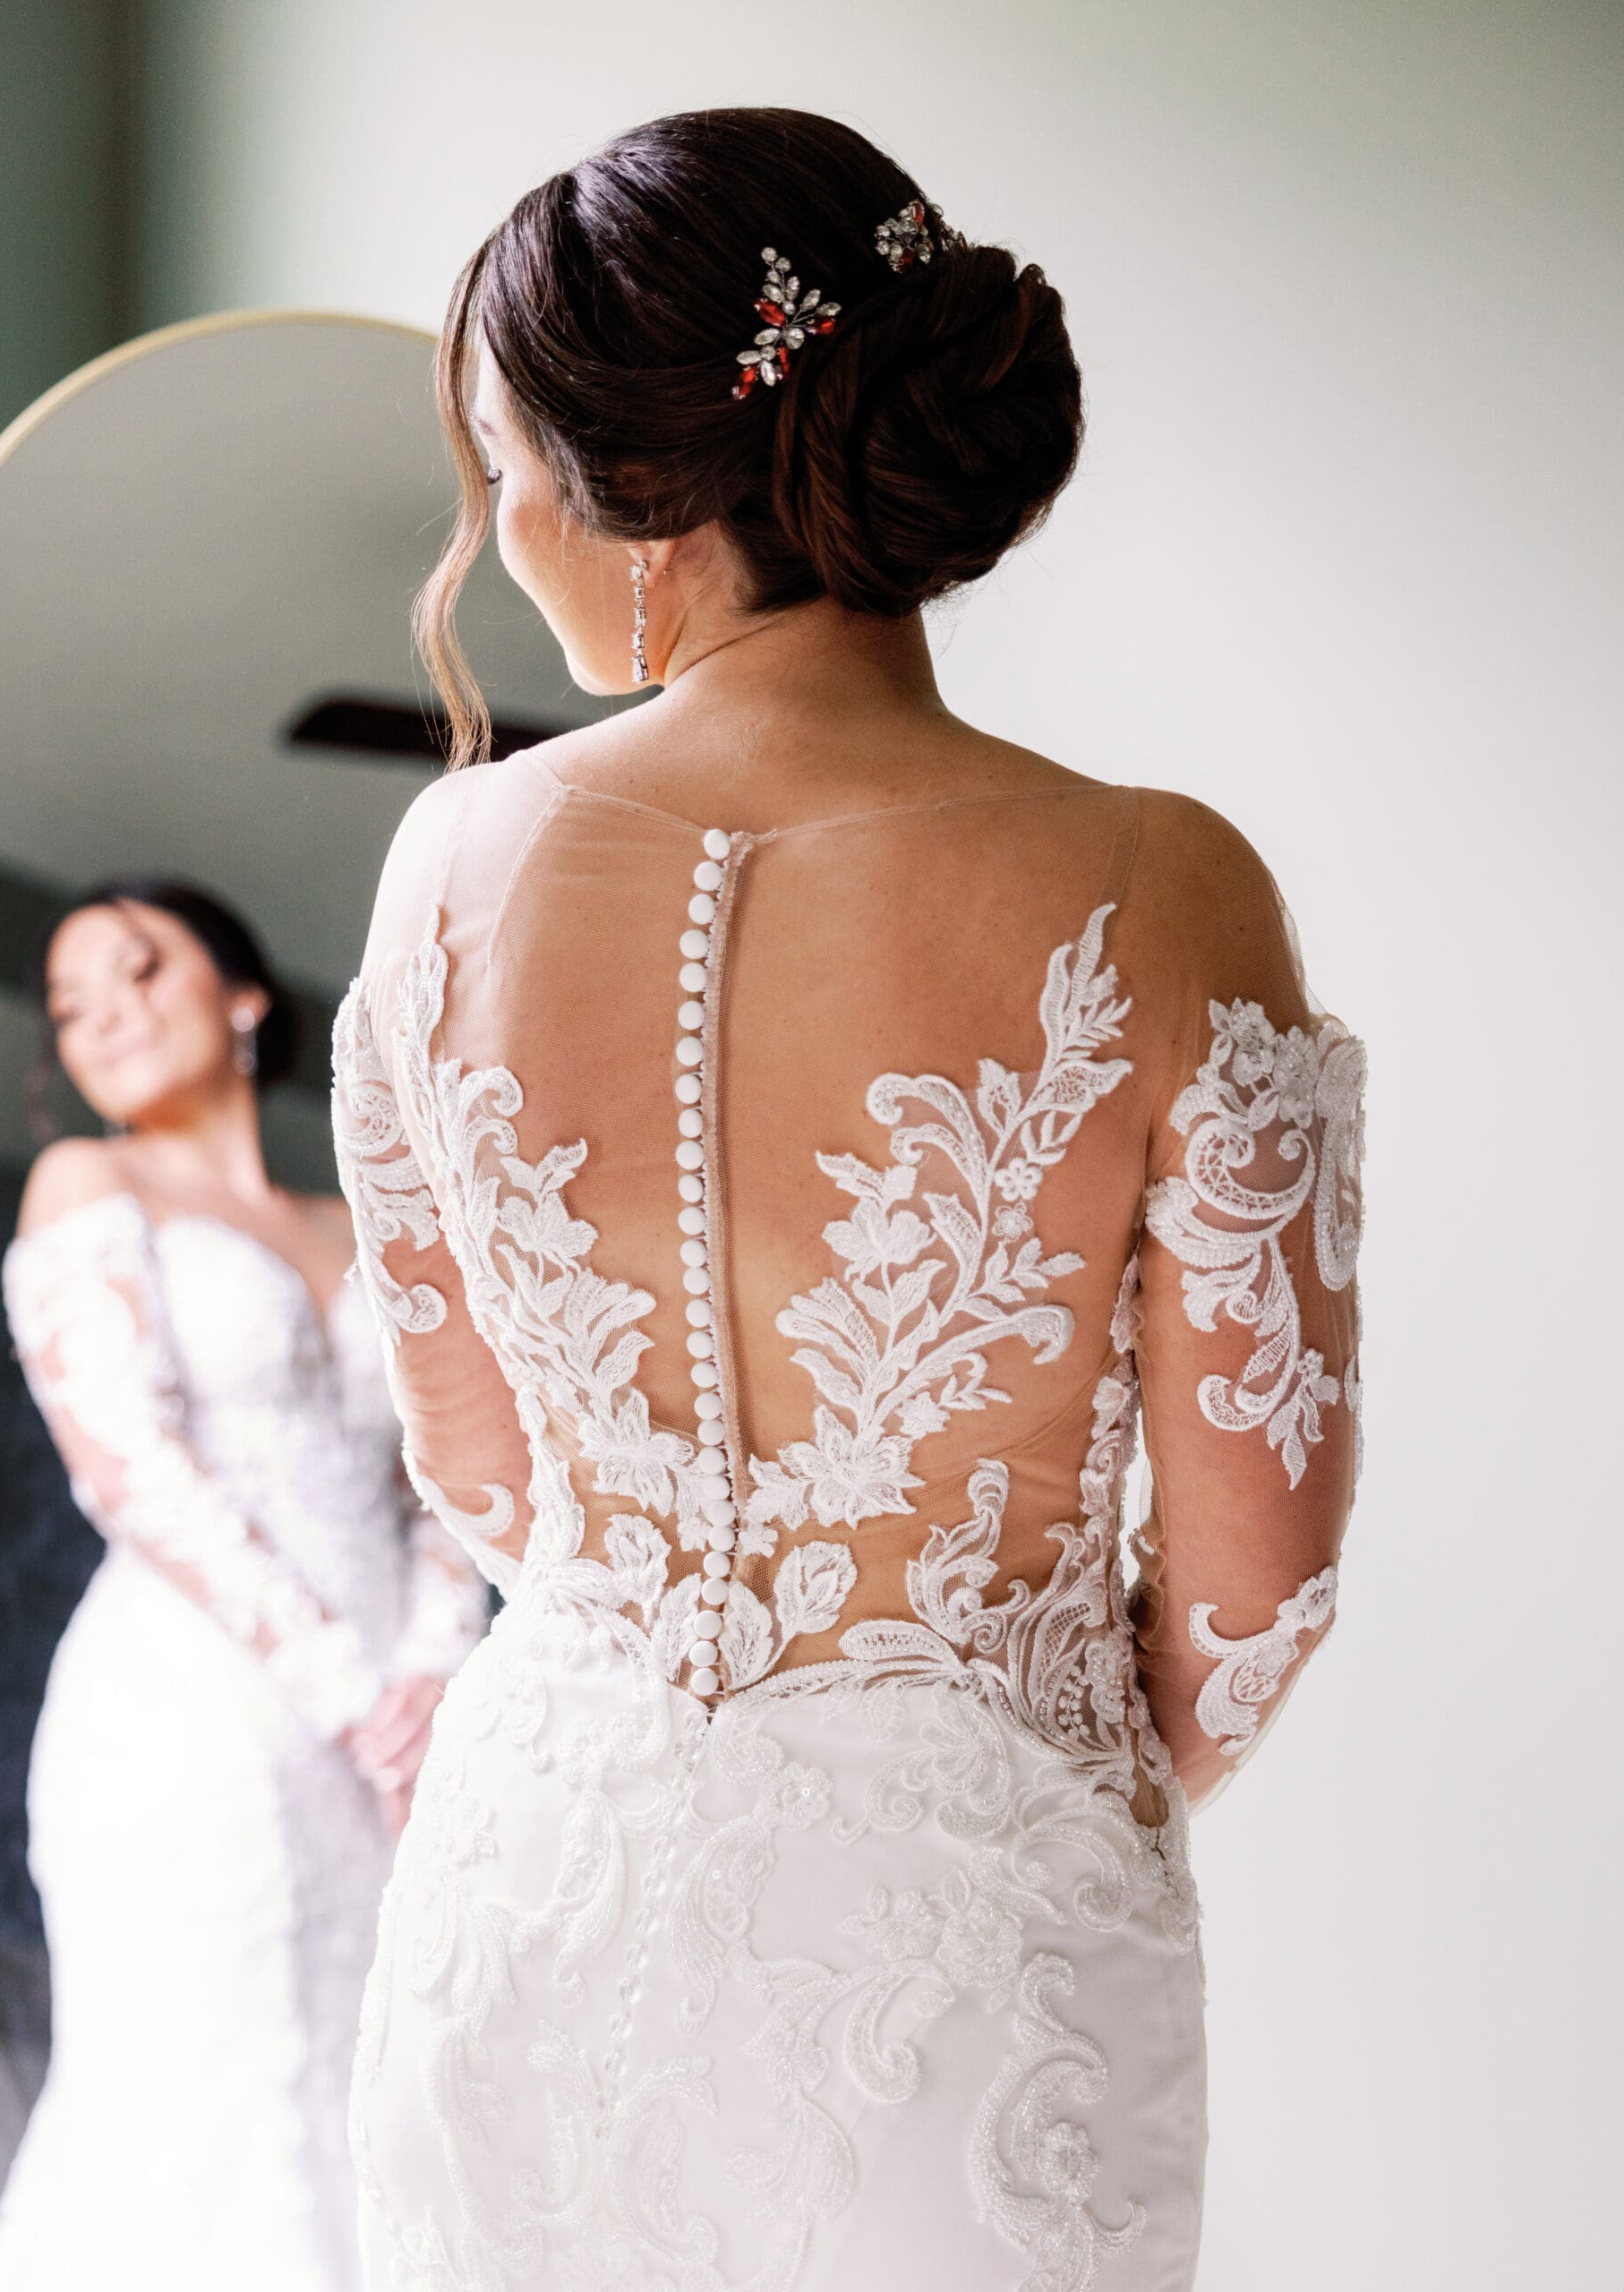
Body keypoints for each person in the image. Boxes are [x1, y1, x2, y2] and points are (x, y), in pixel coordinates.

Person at [332, 109, 1364, 2292]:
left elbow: (477, 1461)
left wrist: (677, 1680)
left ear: (636, 495)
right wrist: (998, 1774)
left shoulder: (447, 869)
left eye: (500, 460)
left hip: (542, 1869)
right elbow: (1254, 1581)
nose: (493, 524)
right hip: (976, 1942)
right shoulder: (1166, 883)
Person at [0, 879, 491, 2292]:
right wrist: (350, 1697)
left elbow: (451, 1475)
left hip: (402, 1722)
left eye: (140, 971)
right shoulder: (87, 1183)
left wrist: (432, 1678)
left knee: (376, 2074)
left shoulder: (364, 1228)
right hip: (195, 1711)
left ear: (244, 995)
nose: (108, 1019)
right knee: (207, 2079)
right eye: (73, 1009)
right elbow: (128, 1469)